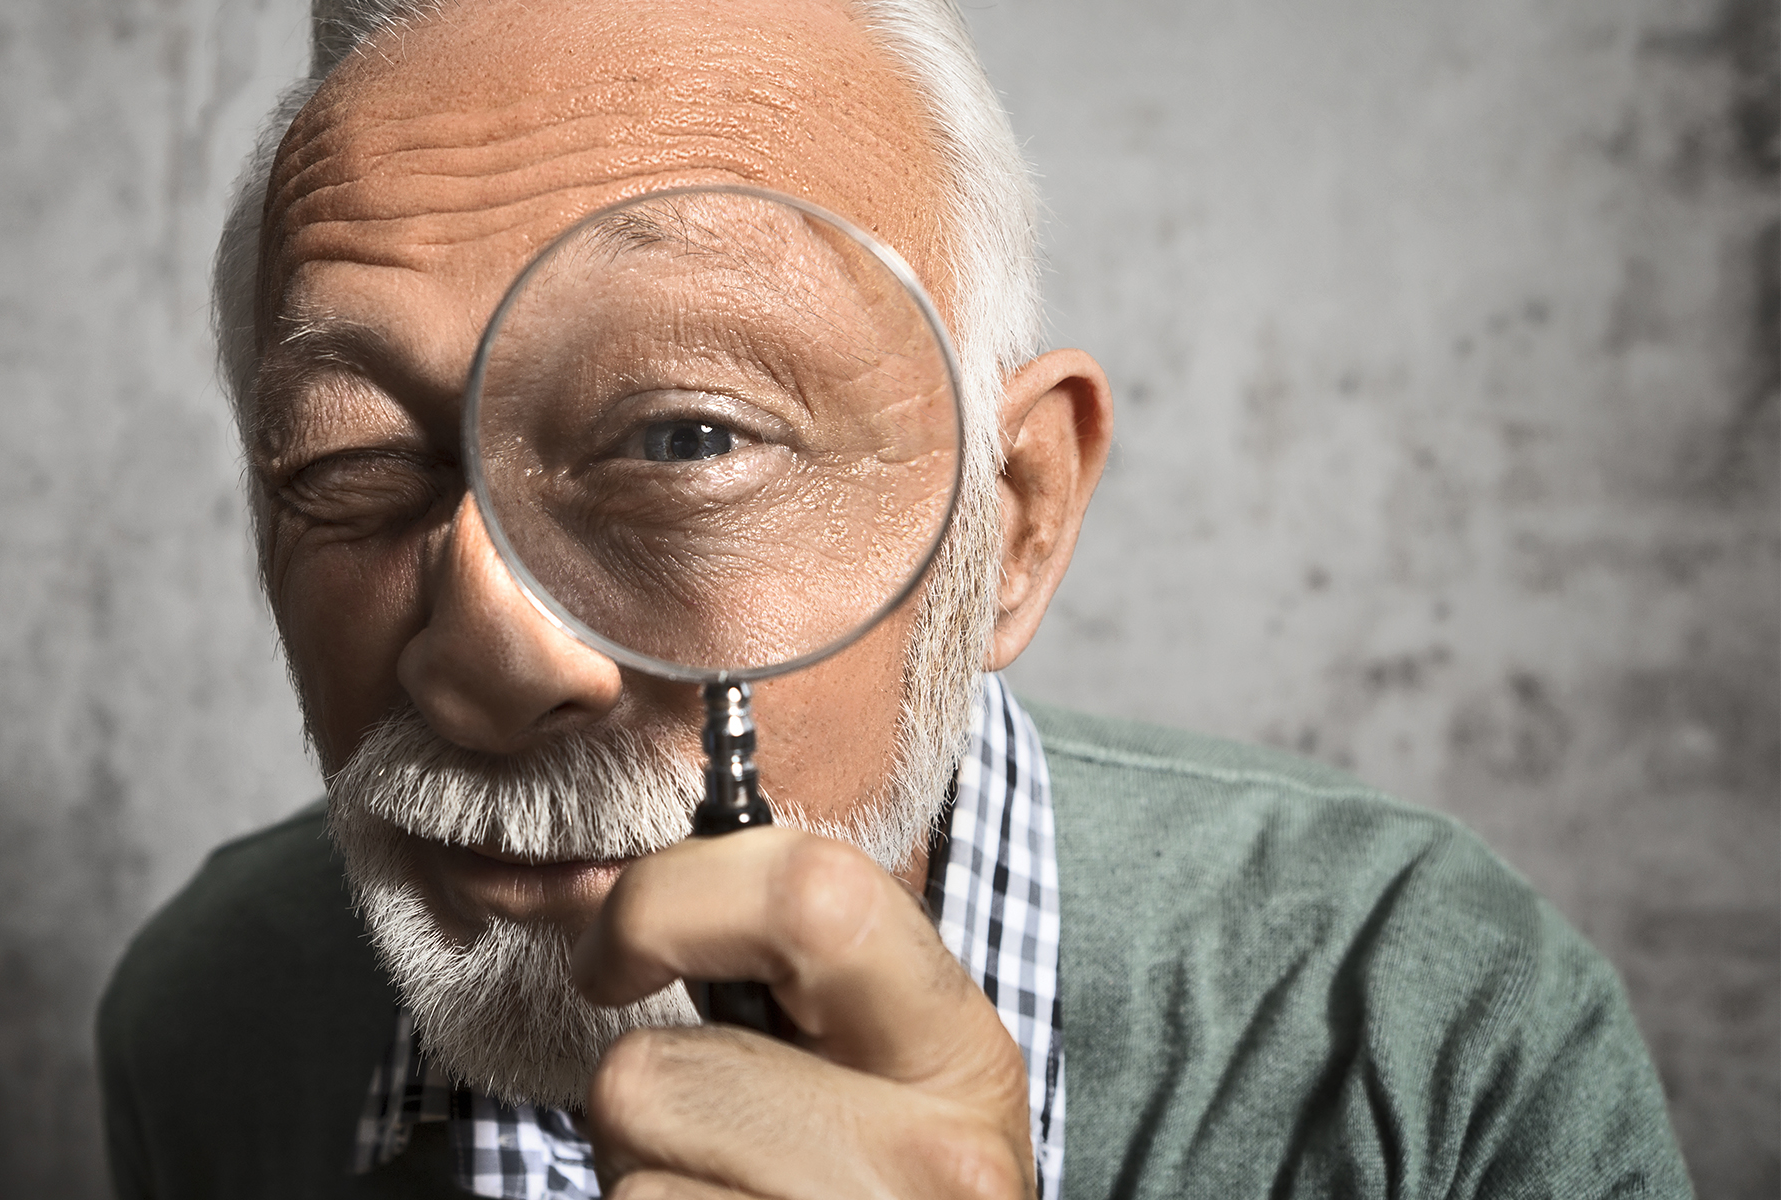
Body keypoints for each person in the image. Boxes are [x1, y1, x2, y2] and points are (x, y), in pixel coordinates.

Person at [95, 0, 1692, 1196]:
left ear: (1008, 524)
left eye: (686, 435)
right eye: (348, 462)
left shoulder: (1424, 1025)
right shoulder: (209, 1018)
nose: (489, 657)